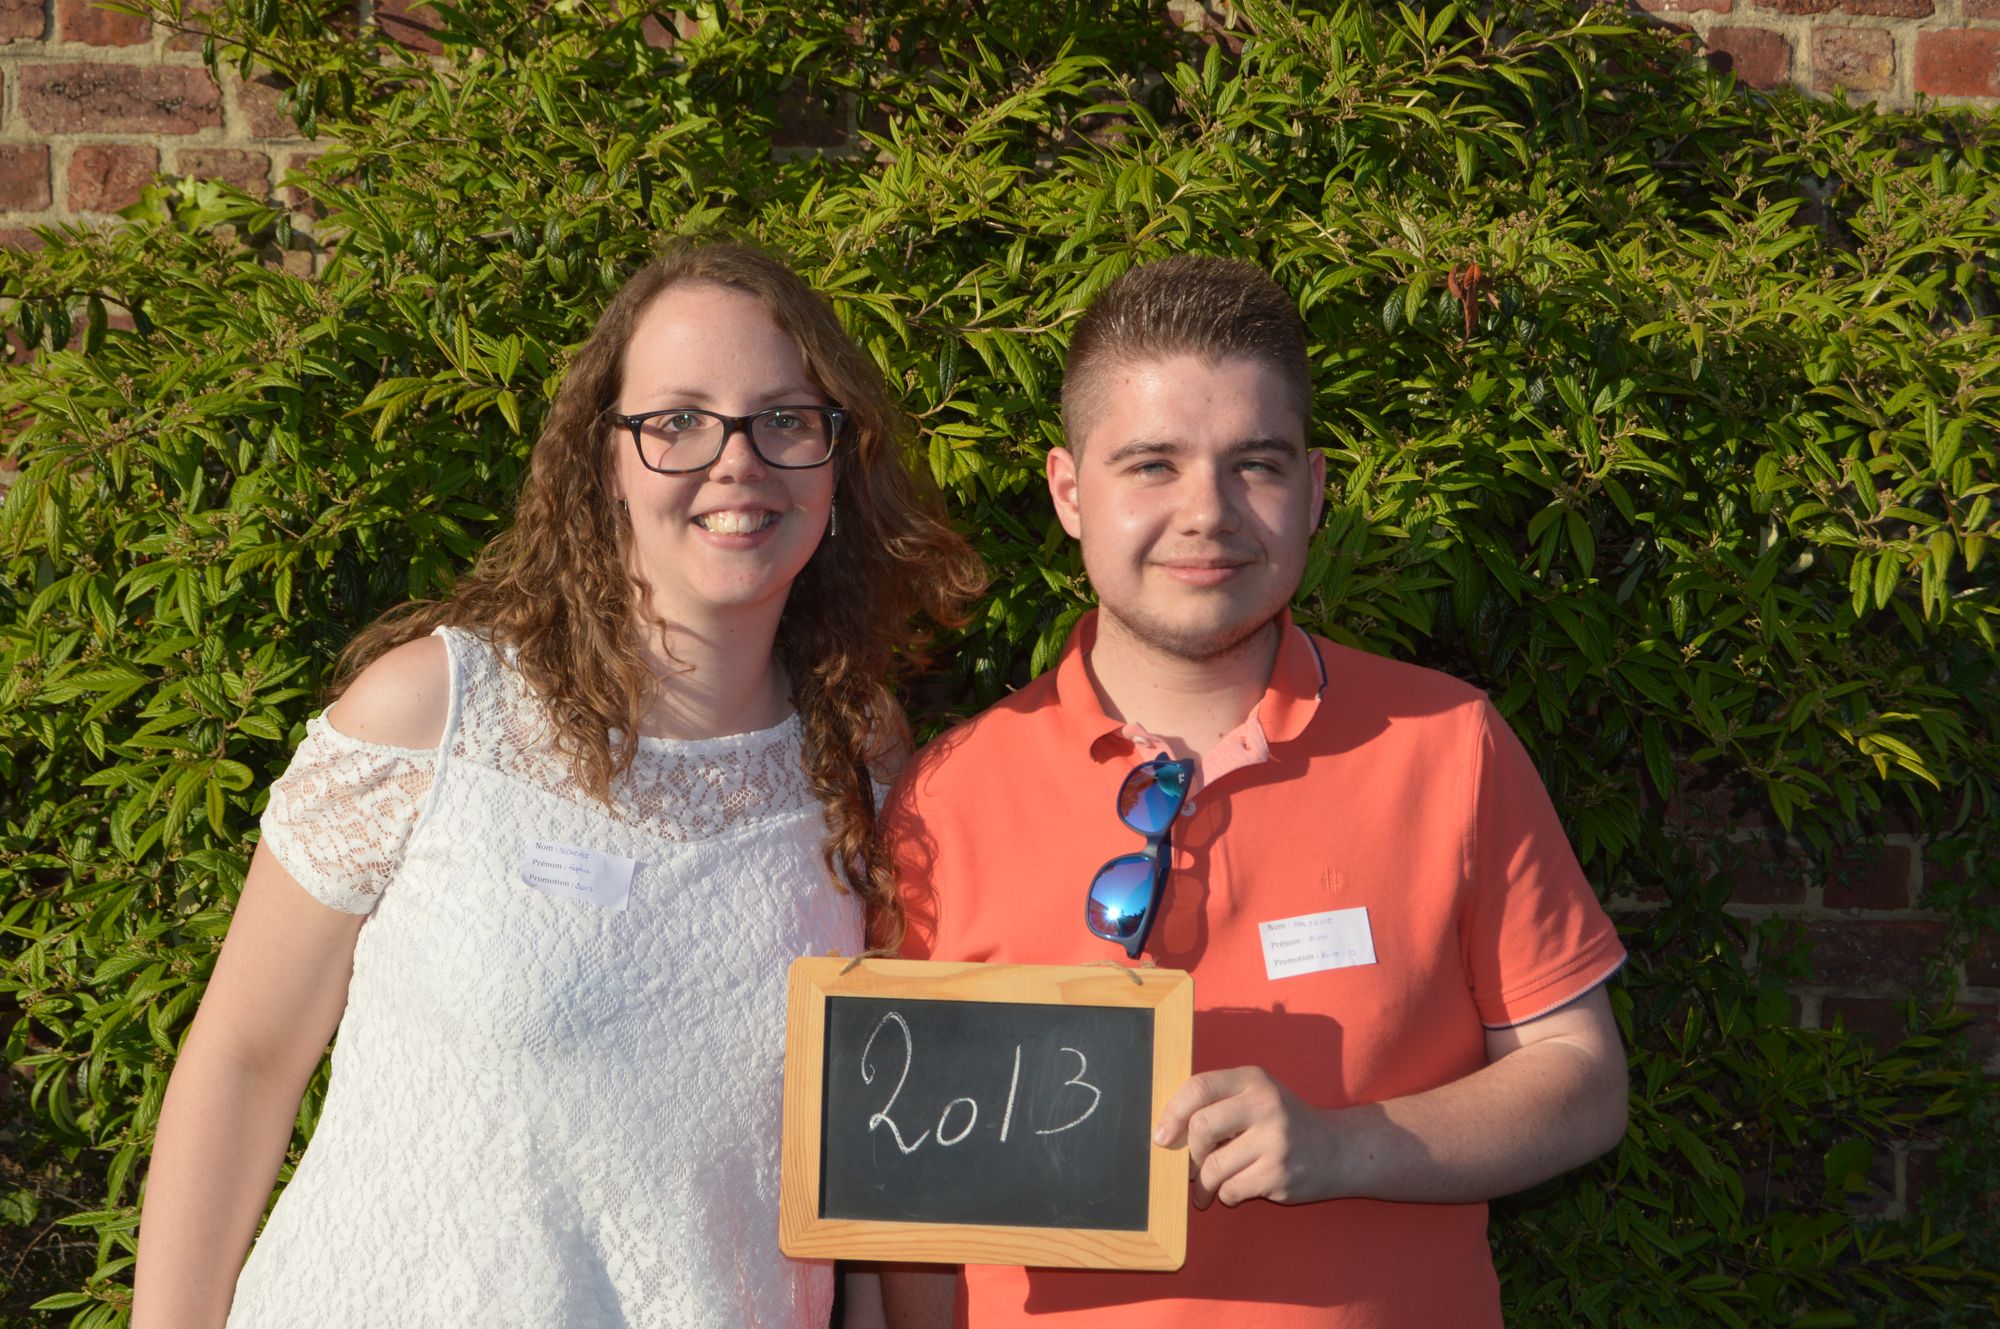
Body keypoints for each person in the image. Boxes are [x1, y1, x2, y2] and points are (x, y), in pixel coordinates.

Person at [131, 241, 982, 1328]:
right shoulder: (434, 718)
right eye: (677, 420)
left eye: (783, 418)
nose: (736, 461)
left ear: (835, 461)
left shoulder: (859, 760)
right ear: (604, 457)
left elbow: (868, 1150)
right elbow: (245, 1060)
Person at [876, 256, 1628, 1327]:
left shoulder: (1447, 747)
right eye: (1152, 464)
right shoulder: (947, 796)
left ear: (1313, 491)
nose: (1208, 513)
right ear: (1069, 492)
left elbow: (1582, 1079)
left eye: (1255, 465)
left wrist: (1344, 1144)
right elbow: (896, 1187)